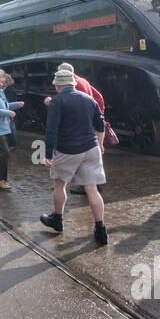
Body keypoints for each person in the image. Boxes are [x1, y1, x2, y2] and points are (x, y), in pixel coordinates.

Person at [39, 69, 109, 245]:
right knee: (91, 189)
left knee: (59, 184)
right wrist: (100, 144)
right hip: (91, 148)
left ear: (58, 85)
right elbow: (100, 124)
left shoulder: (57, 101)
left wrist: (47, 154)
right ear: (73, 83)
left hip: (68, 149)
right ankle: (100, 229)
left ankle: (57, 220)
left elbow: (52, 130)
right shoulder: (88, 99)